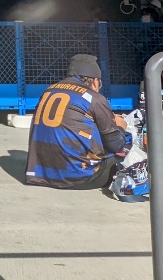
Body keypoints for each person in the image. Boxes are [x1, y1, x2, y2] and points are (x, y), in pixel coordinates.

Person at [25, 54, 128, 189]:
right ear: (95, 81)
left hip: (40, 176)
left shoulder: (48, 90)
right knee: (127, 152)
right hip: (80, 178)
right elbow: (115, 145)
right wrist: (121, 126)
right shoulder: (95, 98)